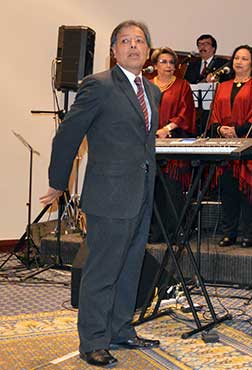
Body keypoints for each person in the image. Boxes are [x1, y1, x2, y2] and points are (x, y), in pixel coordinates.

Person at [39, 20, 161, 367]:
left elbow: (143, 143)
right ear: (114, 50)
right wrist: (58, 181)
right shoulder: (98, 85)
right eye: (125, 41)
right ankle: (93, 340)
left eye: (139, 41)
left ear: (148, 51)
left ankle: (121, 329)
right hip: (109, 196)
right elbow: (68, 135)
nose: (133, 46)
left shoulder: (153, 92)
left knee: (130, 267)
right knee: (102, 270)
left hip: (141, 194)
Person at [209, 45, 252, 248]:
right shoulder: (223, 86)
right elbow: (214, 112)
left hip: (249, 144)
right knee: (228, 190)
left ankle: (249, 233)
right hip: (225, 144)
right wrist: (219, 129)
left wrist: (239, 130)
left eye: (244, 58)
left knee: (249, 192)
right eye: (236, 58)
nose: (239, 62)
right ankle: (229, 232)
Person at [148, 47, 196, 242]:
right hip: (150, 145)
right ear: (154, 65)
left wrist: (167, 128)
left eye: (171, 62)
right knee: (152, 191)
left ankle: (174, 232)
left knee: (172, 190)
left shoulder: (182, 86)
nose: (168, 66)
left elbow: (186, 113)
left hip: (173, 144)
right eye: (163, 62)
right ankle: (154, 233)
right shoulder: (147, 85)